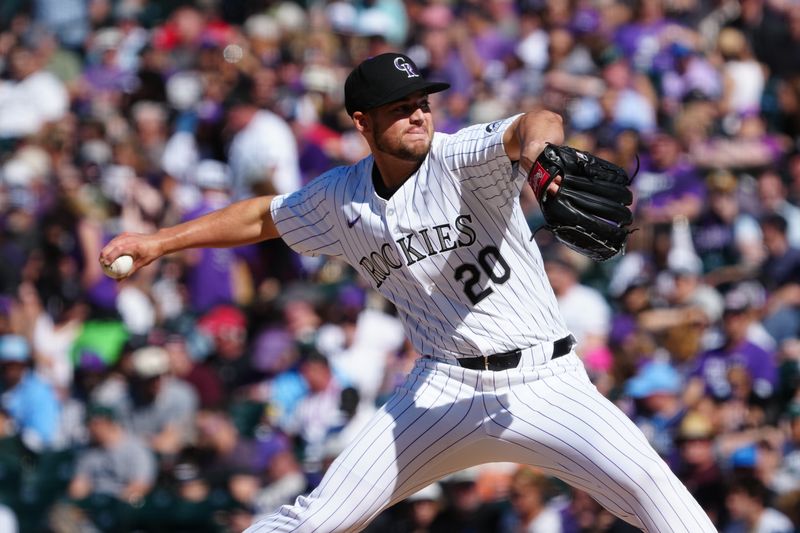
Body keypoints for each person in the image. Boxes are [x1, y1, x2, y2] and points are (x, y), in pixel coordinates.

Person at [100, 52, 715, 532]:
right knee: (319, 519)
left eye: (422, 101)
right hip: (440, 388)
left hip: (545, 381)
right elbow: (265, 215)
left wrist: (542, 158)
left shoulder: (460, 158)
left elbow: (535, 122)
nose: (419, 114)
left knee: (652, 491)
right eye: (401, 106)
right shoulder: (341, 198)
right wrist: (160, 241)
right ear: (363, 122)